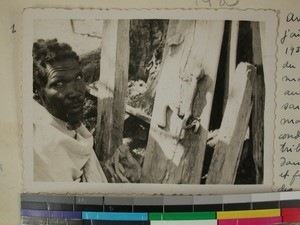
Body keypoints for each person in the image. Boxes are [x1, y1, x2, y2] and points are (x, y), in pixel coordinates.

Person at [32, 39, 107, 182]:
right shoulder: (43, 150)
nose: (75, 92)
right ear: (38, 91)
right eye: (59, 83)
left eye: (78, 78)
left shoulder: (68, 126)